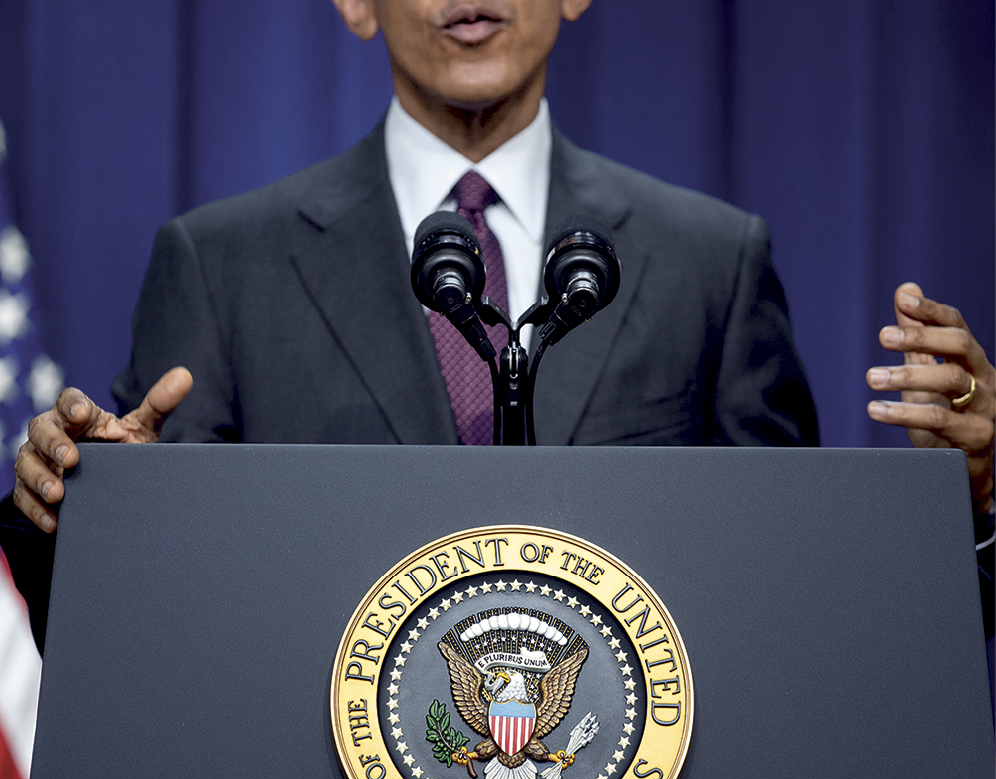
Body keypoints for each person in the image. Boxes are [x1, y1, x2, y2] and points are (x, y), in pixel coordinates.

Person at [4, 0, 994, 653]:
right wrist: (92, 517)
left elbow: (803, 624)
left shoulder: (711, 261)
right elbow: (136, 645)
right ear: (352, 1)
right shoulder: (219, 265)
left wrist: (971, 503)